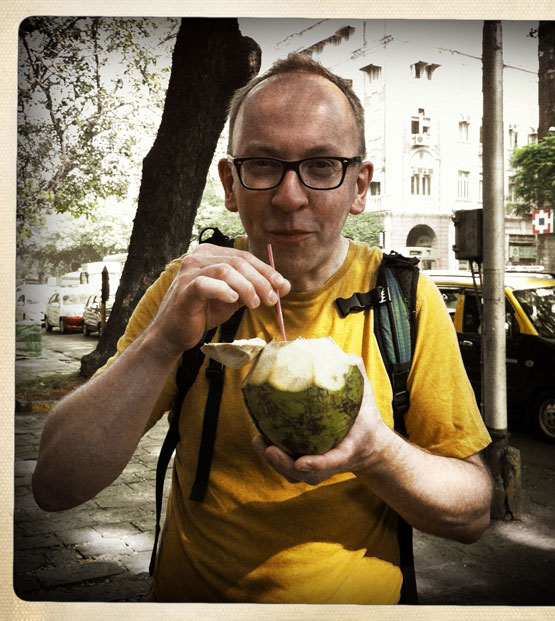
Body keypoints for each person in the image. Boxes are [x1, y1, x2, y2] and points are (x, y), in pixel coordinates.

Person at [33, 53, 493, 604]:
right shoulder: (191, 288)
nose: (289, 196)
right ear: (230, 183)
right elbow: (54, 485)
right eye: (262, 164)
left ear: (360, 186)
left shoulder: (405, 300)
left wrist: (375, 451)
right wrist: (161, 345)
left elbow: (472, 512)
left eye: (322, 165)